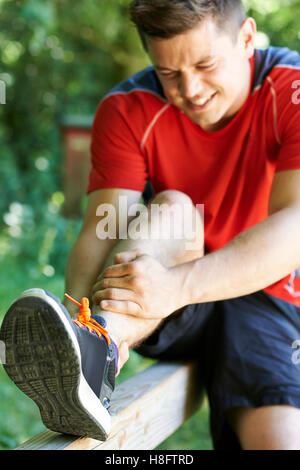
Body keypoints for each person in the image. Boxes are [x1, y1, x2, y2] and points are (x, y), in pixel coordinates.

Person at [2, 0, 300, 450]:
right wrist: (77, 317)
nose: (191, 89)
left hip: (262, 291)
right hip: (162, 293)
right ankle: (93, 347)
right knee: (176, 209)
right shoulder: (125, 109)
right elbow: (103, 230)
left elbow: (294, 226)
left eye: (205, 64)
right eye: (169, 73)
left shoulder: (291, 88)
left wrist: (177, 285)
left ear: (245, 38)